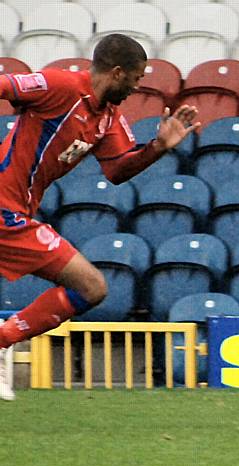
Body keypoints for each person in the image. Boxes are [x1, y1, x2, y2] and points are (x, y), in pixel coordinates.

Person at [0, 34, 200, 398]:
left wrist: (157, 147)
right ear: (118, 73)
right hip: (3, 210)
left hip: (17, 213)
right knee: (91, 286)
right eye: (137, 79)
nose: (139, 87)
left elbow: (118, 171)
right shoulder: (59, 85)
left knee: (91, 288)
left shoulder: (107, 118)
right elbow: (6, 84)